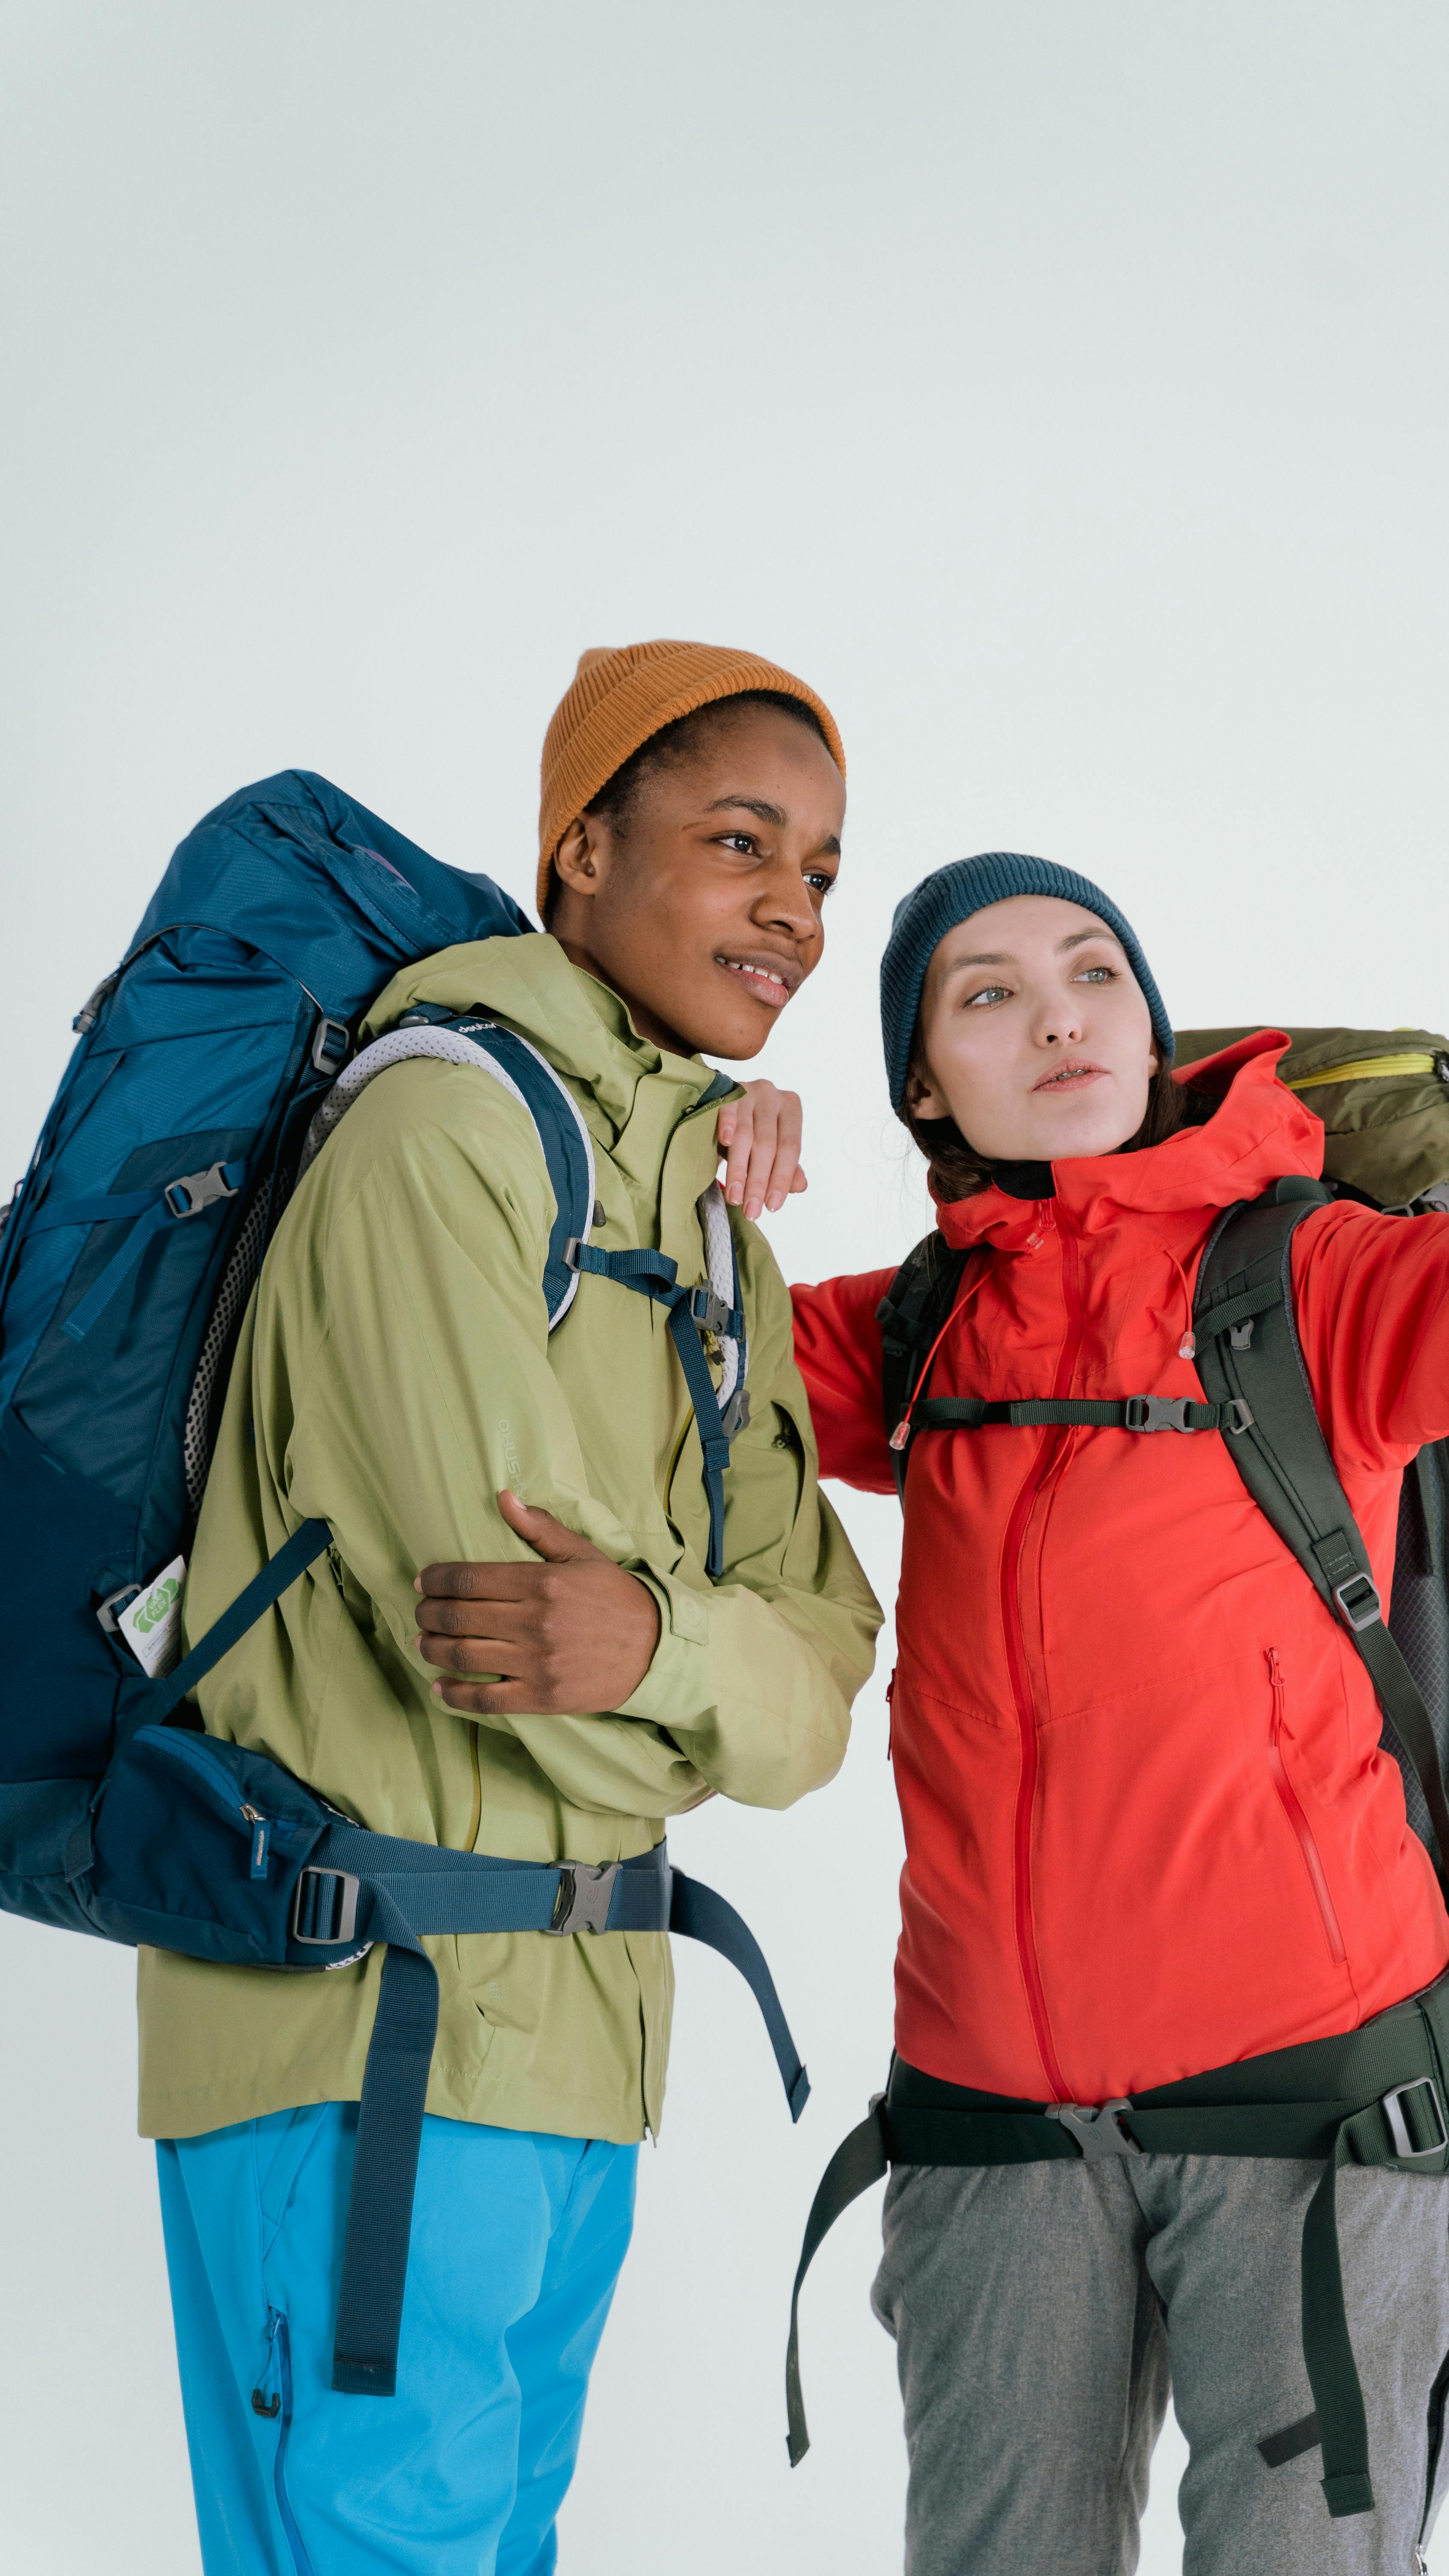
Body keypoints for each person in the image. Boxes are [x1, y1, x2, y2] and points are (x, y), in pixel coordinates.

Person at [446, 855, 1449, 2574]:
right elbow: (639, 1371)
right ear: (921, 1083)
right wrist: (690, 1141)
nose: (1055, 1015)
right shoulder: (921, 1326)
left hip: (1318, 2107)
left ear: (1149, 1018)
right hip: (990, 2127)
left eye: (1092, 972)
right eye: (984, 994)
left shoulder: (1318, 1288)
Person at [146, 639, 882, 2576]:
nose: (791, 910)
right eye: (741, 843)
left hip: (575, 2040)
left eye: (818, 866)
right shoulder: (441, 1136)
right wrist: (705, 1664)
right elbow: (488, 1636)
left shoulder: (704, 1210)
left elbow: (825, 1679)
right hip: (368, 2025)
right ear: (579, 849)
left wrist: (671, 1645)